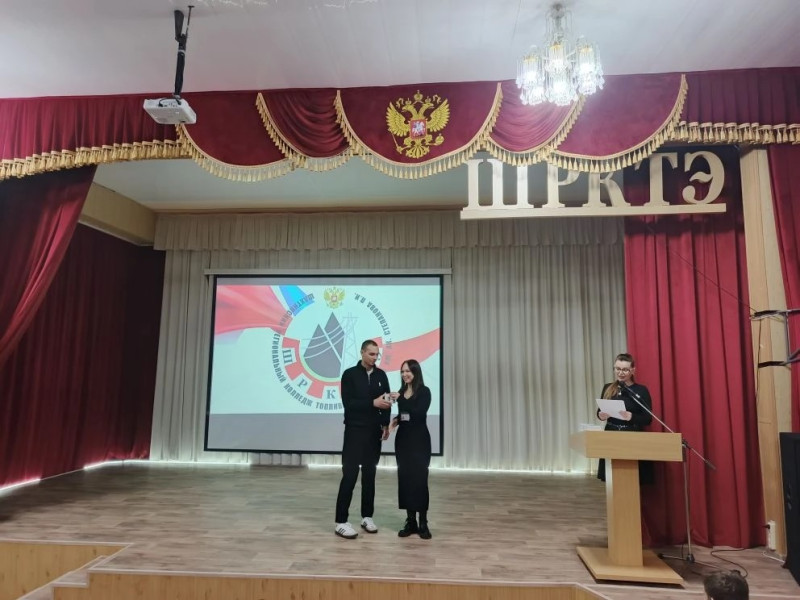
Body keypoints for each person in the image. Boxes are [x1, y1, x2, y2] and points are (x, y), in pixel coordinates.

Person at [334, 339, 396, 539]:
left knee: (370, 476)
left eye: (377, 354)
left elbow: (387, 401)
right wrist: (372, 403)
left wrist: (385, 424)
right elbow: (349, 403)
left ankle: (367, 517)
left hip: (373, 433)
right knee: (350, 475)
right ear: (362, 352)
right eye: (371, 354)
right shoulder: (349, 375)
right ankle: (341, 521)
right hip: (354, 431)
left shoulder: (381, 375)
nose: (375, 358)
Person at [388, 359, 433, 539]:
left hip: (419, 440)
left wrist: (401, 401)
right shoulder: (401, 392)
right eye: (402, 371)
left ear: (415, 372)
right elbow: (405, 416)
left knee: (420, 480)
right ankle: (410, 521)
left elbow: (418, 414)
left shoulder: (424, 391)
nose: (404, 374)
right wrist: (395, 421)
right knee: (405, 479)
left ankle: (423, 522)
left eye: (408, 371)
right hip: (403, 441)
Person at [597, 353, 654, 484]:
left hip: (632, 435)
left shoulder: (641, 390)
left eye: (625, 370)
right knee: (612, 477)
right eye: (617, 369)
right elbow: (599, 411)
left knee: (631, 477)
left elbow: (648, 419)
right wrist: (601, 415)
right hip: (611, 434)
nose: (620, 373)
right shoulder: (608, 387)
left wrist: (631, 416)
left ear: (632, 370)